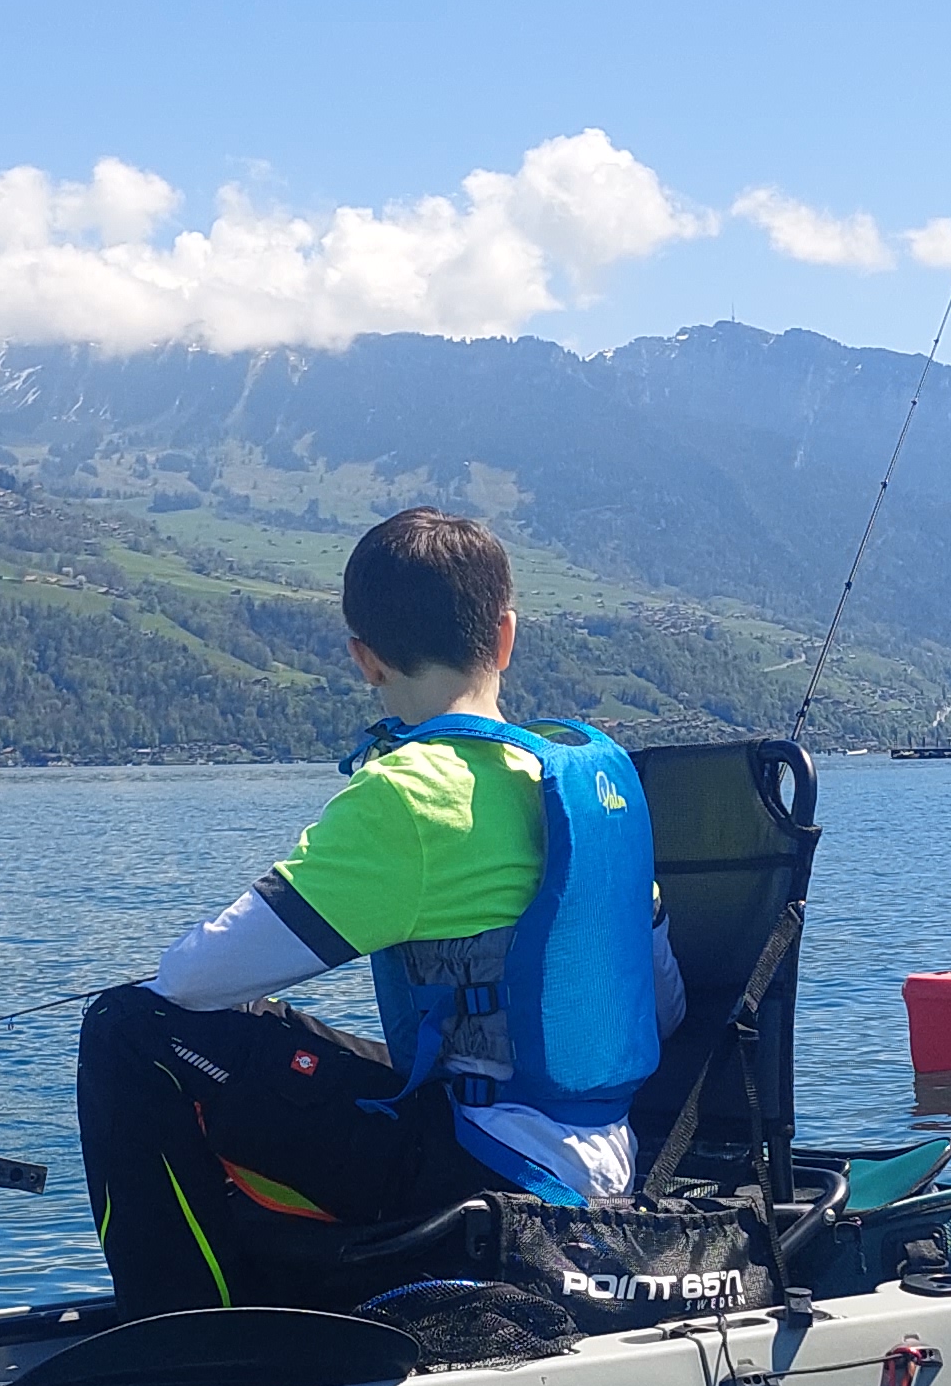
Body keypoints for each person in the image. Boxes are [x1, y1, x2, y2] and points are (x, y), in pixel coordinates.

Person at [76, 509, 685, 1318]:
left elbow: (192, 979)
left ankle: (181, 1331)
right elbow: (664, 1007)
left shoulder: (407, 794)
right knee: (271, 1027)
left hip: (492, 1170)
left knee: (130, 1029)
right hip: (607, 1160)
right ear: (505, 636)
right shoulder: (593, 790)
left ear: (364, 659)